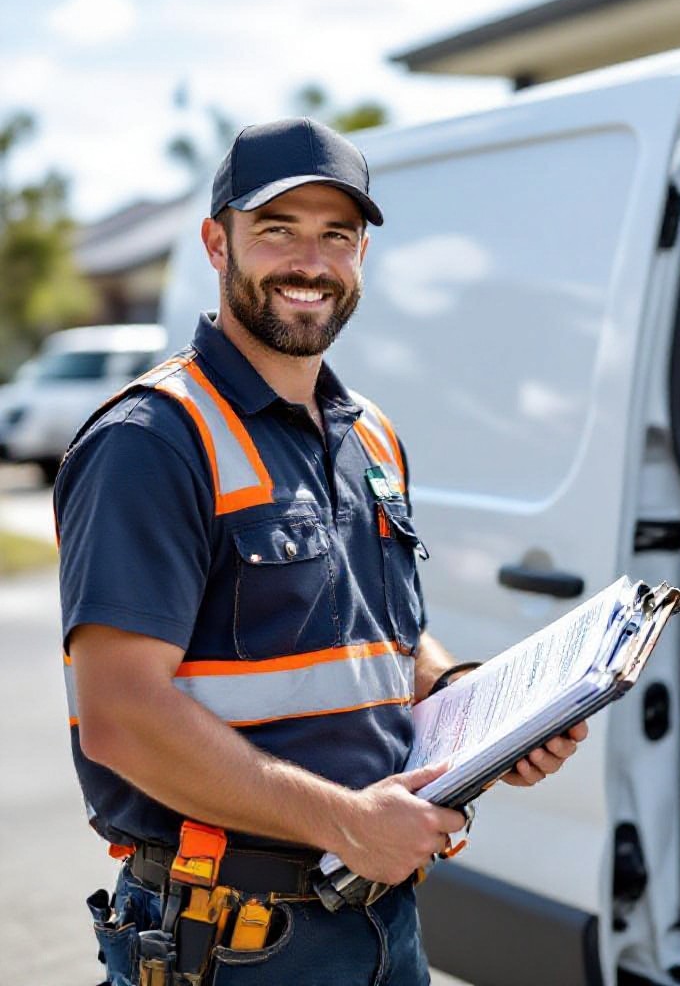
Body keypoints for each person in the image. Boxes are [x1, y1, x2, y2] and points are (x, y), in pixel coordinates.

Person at [56, 117, 587, 986]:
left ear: (362, 256)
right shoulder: (151, 441)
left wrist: (475, 707)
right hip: (230, 943)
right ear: (215, 243)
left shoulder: (369, 434)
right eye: (277, 230)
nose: (310, 262)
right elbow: (120, 717)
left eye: (337, 235)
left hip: (383, 922)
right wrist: (345, 820)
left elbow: (387, 639)